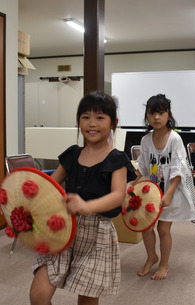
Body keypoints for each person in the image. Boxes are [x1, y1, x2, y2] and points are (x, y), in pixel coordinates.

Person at [29, 91, 136, 305]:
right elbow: (50, 186)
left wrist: (86, 206)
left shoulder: (117, 159)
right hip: (62, 228)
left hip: (97, 235)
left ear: (113, 122)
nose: (91, 123)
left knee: (86, 300)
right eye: (85, 117)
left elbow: (117, 196)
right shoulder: (72, 154)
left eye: (99, 117)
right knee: (38, 295)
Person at [129, 94, 195, 280]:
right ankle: (151, 256)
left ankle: (164, 264)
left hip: (171, 192)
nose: (156, 118)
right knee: (146, 226)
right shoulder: (145, 140)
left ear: (169, 114)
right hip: (152, 192)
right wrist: (131, 183)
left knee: (163, 229)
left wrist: (168, 194)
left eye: (161, 113)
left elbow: (179, 171)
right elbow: (142, 167)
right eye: (152, 113)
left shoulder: (174, 139)